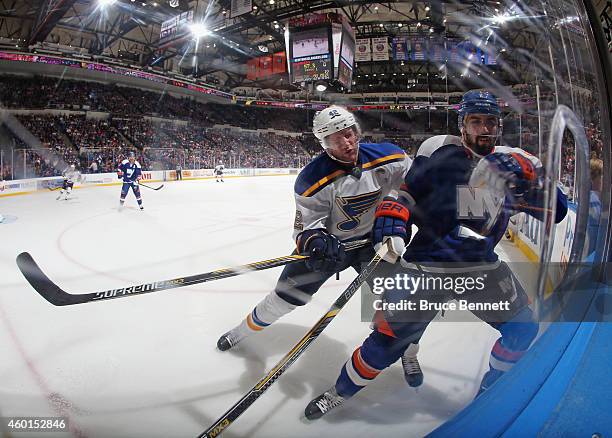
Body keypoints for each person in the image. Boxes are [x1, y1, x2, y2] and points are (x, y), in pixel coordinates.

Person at [303, 90, 569, 420]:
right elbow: (408, 194)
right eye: (475, 121)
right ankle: (339, 392)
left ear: (499, 126)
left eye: (491, 122)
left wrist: (526, 178)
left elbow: (556, 211)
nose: (484, 129)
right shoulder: (438, 149)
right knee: (386, 343)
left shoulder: (518, 158)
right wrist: (393, 220)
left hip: (481, 267)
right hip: (425, 264)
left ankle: (491, 388)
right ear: (462, 124)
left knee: (523, 330)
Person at [216, 105, 423, 384]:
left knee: (404, 305)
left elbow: (413, 187)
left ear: (357, 132)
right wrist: (315, 242)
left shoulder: (390, 157)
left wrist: (397, 212)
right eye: (337, 139)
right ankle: (240, 332)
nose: (347, 143)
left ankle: (410, 353)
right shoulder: (311, 178)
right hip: (333, 247)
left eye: (349, 134)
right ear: (324, 144)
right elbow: (305, 226)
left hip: (374, 245)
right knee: (283, 299)